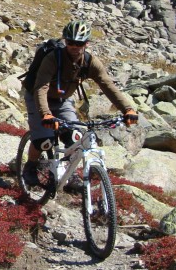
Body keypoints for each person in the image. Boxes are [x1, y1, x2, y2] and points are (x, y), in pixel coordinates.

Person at [22, 19, 138, 188]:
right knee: (43, 140)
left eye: (79, 43)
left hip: (63, 100)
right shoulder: (53, 58)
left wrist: (128, 109)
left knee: (74, 138)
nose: (74, 46)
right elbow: (41, 87)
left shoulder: (90, 62)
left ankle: (68, 171)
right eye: (70, 42)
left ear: (86, 43)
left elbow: (108, 85)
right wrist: (45, 113)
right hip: (38, 98)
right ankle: (30, 167)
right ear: (65, 41)